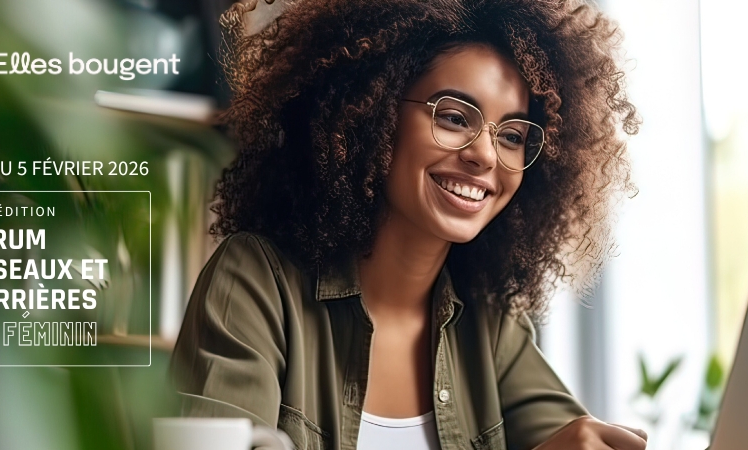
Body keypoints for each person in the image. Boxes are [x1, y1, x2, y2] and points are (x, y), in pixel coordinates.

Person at [168, 0, 642, 448]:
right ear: (371, 112)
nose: (484, 155)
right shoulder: (257, 282)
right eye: (455, 118)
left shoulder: (491, 324)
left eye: (513, 136)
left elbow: (570, 436)